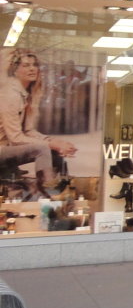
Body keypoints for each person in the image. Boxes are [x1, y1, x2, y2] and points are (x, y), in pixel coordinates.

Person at [0, 49, 77, 202]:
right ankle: (49, 191)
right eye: (26, 65)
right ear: (15, 70)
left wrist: (55, 142)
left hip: (8, 147)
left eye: (35, 65)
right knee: (42, 149)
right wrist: (50, 144)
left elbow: (28, 131)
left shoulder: (26, 93)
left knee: (53, 151)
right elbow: (15, 138)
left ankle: (62, 189)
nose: (32, 69)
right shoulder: (10, 94)